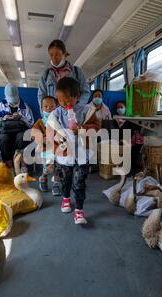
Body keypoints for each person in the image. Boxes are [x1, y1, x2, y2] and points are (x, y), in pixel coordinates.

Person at [48, 77, 101, 225]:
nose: (64, 104)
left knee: (79, 182)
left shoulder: (86, 110)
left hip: (82, 154)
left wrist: (83, 129)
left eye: (67, 101)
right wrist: (59, 135)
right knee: (66, 179)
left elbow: (96, 126)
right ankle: (65, 198)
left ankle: (79, 210)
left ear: (77, 97)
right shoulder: (57, 114)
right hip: (65, 154)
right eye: (60, 101)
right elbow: (51, 131)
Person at [38, 39, 91, 108]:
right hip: (53, 114)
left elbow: (85, 92)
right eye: (51, 55)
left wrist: (77, 108)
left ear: (64, 54)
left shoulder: (77, 72)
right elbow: (41, 96)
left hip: (72, 112)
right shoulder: (46, 75)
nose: (54, 58)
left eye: (57, 55)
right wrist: (46, 114)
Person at [0, 84, 34, 168]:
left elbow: (31, 123)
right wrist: (2, 119)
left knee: (22, 137)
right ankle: (9, 164)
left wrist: (21, 118)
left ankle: (20, 162)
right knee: (3, 139)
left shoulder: (25, 107)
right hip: (5, 132)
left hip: (20, 131)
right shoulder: (0, 106)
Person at [32, 96, 61, 196]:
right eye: (46, 106)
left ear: (57, 107)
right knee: (47, 167)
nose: (49, 108)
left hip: (57, 148)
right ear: (41, 108)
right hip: (45, 148)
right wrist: (40, 138)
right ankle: (43, 178)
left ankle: (56, 183)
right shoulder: (40, 122)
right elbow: (33, 133)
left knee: (58, 167)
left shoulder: (59, 121)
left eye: (52, 106)